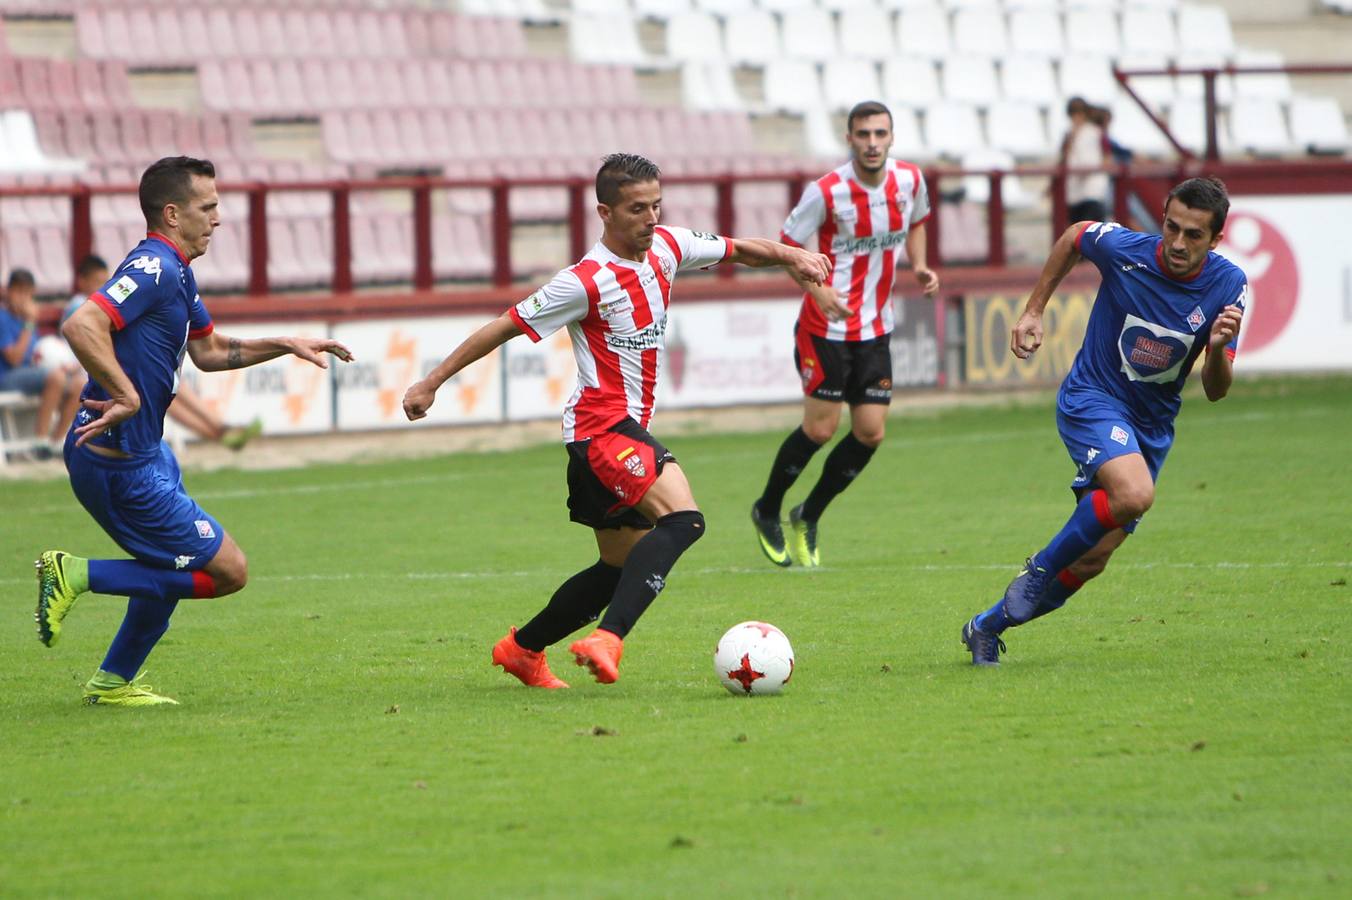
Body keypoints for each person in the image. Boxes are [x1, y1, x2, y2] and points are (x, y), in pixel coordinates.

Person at [402, 153, 831, 688]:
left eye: (656, 205)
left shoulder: (670, 246)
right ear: (604, 212)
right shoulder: (584, 281)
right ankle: (610, 638)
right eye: (636, 209)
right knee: (685, 520)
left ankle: (522, 650)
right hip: (602, 429)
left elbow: (741, 249)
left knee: (616, 569)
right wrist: (431, 382)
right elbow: (504, 326)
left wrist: (793, 255)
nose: (650, 218)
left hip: (608, 437)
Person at [35, 156, 353, 705]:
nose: (219, 218)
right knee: (228, 572)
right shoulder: (154, 268)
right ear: (173, 213)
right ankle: (77, 574)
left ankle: (113, 681)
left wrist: (285, 343)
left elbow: (208, 351)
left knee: (173, 562)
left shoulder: (178, 270)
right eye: (208, 207)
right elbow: (80, 324)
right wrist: (126, 393)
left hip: (145, 454)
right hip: (118, 463)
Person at [960, 177, 1247, 666]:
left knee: (1093, 559)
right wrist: (1033, 310)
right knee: (1134, 494)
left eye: (1194, 235)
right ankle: (1038, 569)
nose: (1178, 243)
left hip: (1151, 427)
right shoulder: (1126, 250)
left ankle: (986, 626)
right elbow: (1075, 235)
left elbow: (1217, 390)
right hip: (1092, 398)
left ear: (1216, 238)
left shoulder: (1229, 284)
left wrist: (1218, 349)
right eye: (1171, 227)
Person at [749, 100, 939, 569]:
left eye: (880, 134)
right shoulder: (827, 191)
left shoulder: (910, 180)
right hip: (826, 327)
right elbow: (787, 247)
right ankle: (767, 508)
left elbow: (917, 221)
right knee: (821, 429)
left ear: (891, 137)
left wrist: (919, 265)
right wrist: (819, 293)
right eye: (863, 134)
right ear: (849, 139)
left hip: (876, 327)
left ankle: (807, 514)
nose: (872, 143)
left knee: (870, 433)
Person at [64, 254, 262, 451]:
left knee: (172, 386)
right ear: (81, 281)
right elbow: (82, 334)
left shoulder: (104, 301)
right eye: (96, 281)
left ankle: (220, 428)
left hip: (117, 368)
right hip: (95, 372)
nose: (101, 285)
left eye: (104, 280)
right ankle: (216, 433)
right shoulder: (82, 305)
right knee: (163, 395)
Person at [0, 268, 83, 459]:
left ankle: (55, 442)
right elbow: (14, 359)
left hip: (29, 374)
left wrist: (62, 365)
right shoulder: (4, 318)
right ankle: (40, 440)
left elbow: (34, 356)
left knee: (78, 384)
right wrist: (29, 322)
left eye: (27, 293)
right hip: (6, 376)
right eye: (18, 291)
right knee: (56, 377)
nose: (22, 298)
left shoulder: (26, 320)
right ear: (8, 291)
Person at [1062, 96, 1110, 224]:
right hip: (1074, 191)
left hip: (1092, 190)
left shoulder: (1095, 132)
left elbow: (1106, 157)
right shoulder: (1069, 135)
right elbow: (1064, 158)